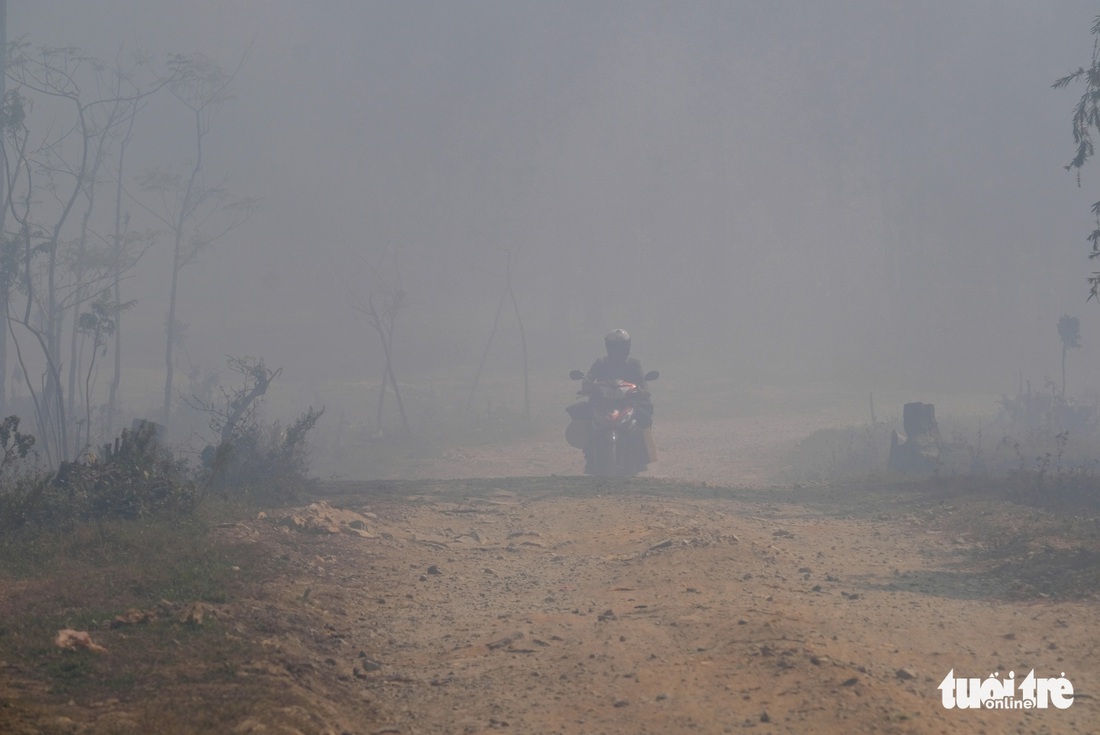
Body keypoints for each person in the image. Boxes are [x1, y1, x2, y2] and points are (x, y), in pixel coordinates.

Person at [584, 329, 652, 429]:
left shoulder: (634, 363)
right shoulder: (601, 362)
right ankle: (588, 441)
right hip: (602, 400)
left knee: (645, 413)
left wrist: (644, 391)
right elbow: (588, 378)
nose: (618, 351)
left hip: (629, 400)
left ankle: (647, 442)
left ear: (628, 347)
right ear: (608, 347)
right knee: (585, 413)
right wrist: (586, 387)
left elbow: (643, 380)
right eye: (614, 347)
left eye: (621, 347)